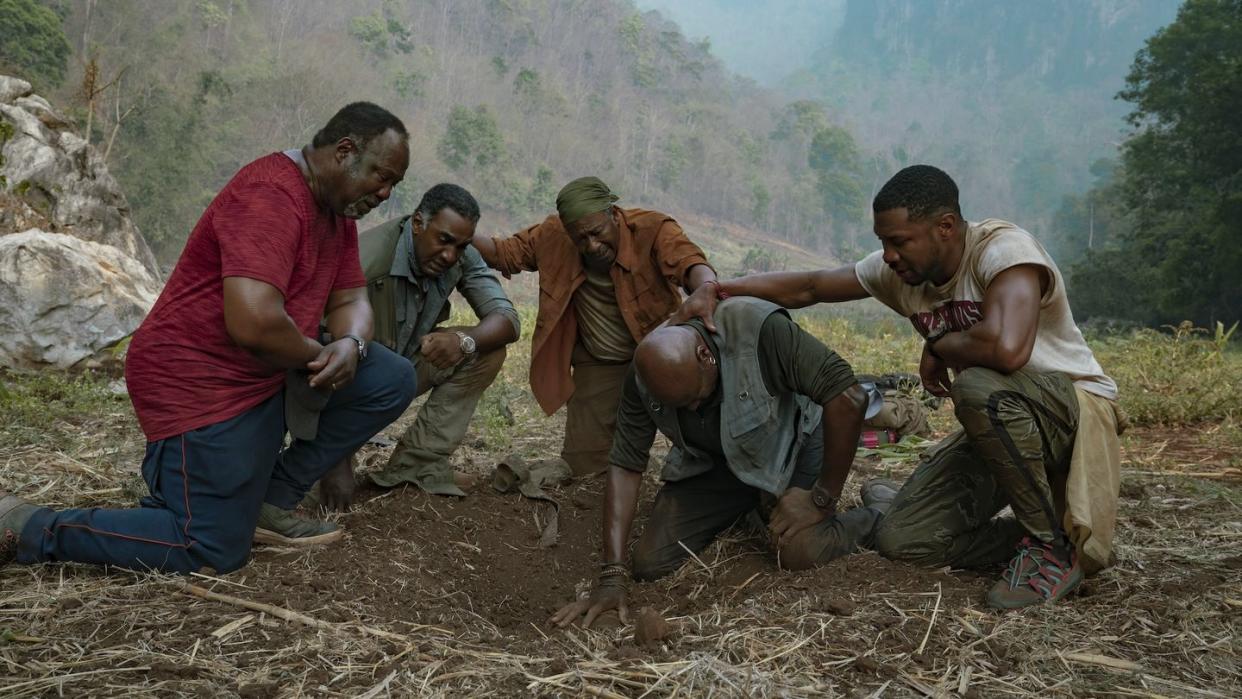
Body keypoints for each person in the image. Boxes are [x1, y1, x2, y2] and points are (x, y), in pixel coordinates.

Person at [674, 165, 1125, 610]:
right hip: (1004, 431)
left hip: (1072, 415)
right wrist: (717, 289)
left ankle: (1051, 548)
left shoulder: (1003, 251)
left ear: (945, 227)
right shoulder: (902, 273)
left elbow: (1008, 351)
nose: (888, 255)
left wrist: (941, 344)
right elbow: (810, 287)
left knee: (979, 391)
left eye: (899, 241)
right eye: (882, 243)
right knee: (904, 540)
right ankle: (1031, 535)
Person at [0, 102, 417, 574]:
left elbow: (351, 303)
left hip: (266, 373)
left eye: (392, 186)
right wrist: (320, 353)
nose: (384, 194)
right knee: (209, 547)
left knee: (390, 377)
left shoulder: (337, 215)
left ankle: (269, 502)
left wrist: (352, 346)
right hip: (198, 380)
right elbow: (253, 323)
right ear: (344, 152)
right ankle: (29, 526)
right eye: (382, 177)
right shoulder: (271, 195)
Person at [551, 297, 898, 628]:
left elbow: (849, 397)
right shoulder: (645, 374)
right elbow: (626, 463)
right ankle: (754, 504)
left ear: (705, 355)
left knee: (798, 552)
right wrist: (612, 574)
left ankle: (877, 516)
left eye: (696, 398)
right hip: (719, 463)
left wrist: (821, 498)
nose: (692, 411)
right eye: (679, 407)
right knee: (650, 562)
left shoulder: (759, 330)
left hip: (796, 444)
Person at [472, 176, 717, 476]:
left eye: (597, 233)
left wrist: (706, 287)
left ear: (614, 215)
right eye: (581, 239)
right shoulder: (554, 235)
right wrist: (462, 232)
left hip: (662, 356)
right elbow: (504, 254)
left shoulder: (652, 229)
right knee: (583, 466)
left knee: (705, 445)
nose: (592, 245)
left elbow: (689, 262)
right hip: (601, 364)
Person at [313, 183, 520, 509]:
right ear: (418, 223)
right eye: (444, 241)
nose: (450, 255)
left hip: (400, 371)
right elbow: (320, 358)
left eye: (461, 246)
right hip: (346, 386)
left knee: (487, 348)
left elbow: (507, 319)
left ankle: (416, 464)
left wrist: (465, 341)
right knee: (307, 492)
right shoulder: (366, 262)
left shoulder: (460, 256)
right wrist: (337, 458)